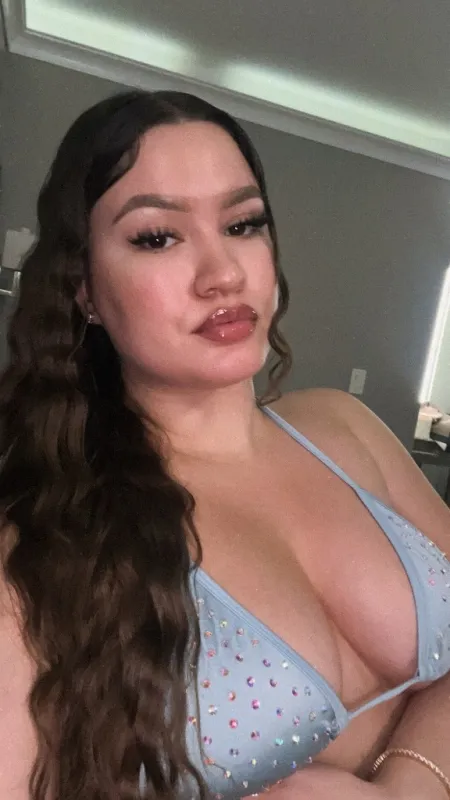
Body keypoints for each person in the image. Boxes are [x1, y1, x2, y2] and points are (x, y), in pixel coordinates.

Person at [0, 89, 449, 800]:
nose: (224, 274)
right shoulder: (44, 548)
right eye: (157, 237)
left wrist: (412, 782)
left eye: (243, 224)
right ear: (84, 287)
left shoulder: (344, 427)